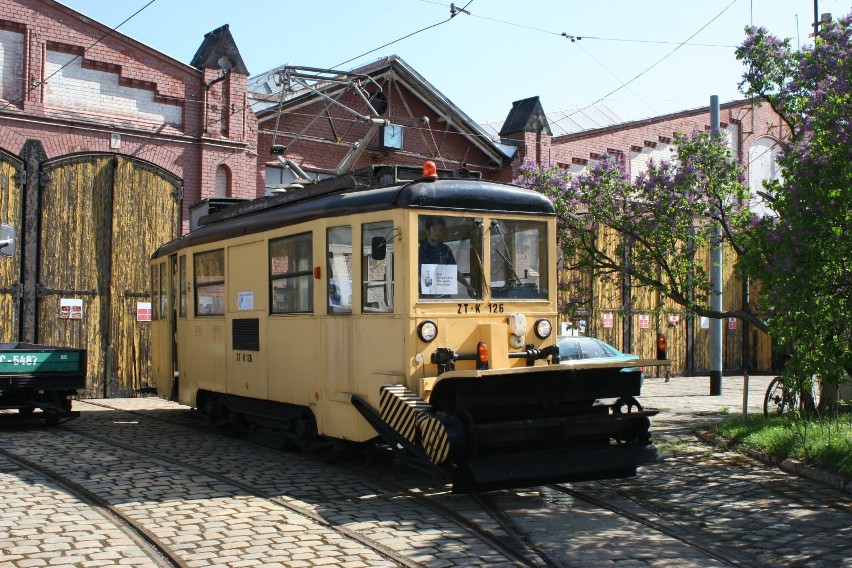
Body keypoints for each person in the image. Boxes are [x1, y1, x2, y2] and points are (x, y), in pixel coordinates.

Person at [419, 216, 475, 297]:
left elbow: (453, 271)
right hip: (425, 297)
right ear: (428, 231)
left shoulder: (445, 250)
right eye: (434, 229)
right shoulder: (420, 250)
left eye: (440, 230)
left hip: (444, 297)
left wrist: (468, 285)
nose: (438, 233)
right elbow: (414, 275)